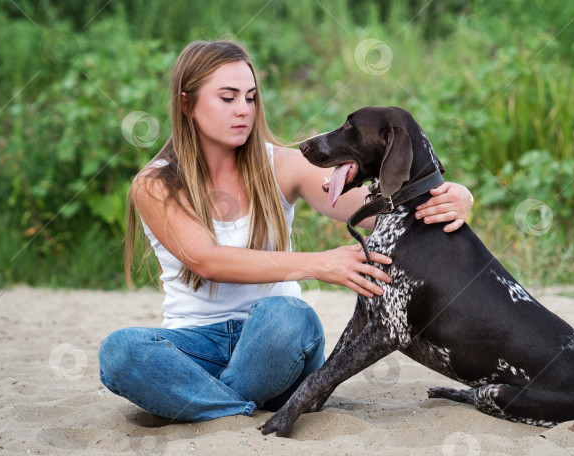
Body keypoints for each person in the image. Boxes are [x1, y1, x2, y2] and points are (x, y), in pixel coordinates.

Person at [98, 39, 473, 422]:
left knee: (289, 315)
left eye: (250, 97)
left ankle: (200, 403)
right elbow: (208, 260)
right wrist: (318, 264)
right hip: (196, 348)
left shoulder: (284, 165)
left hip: (278, 343)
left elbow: (379, 214)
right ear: (186, 103)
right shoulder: (156, 184)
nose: (243, 110)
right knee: (119, 352)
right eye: (227, 98)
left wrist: (456, 194)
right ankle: (237, 407)